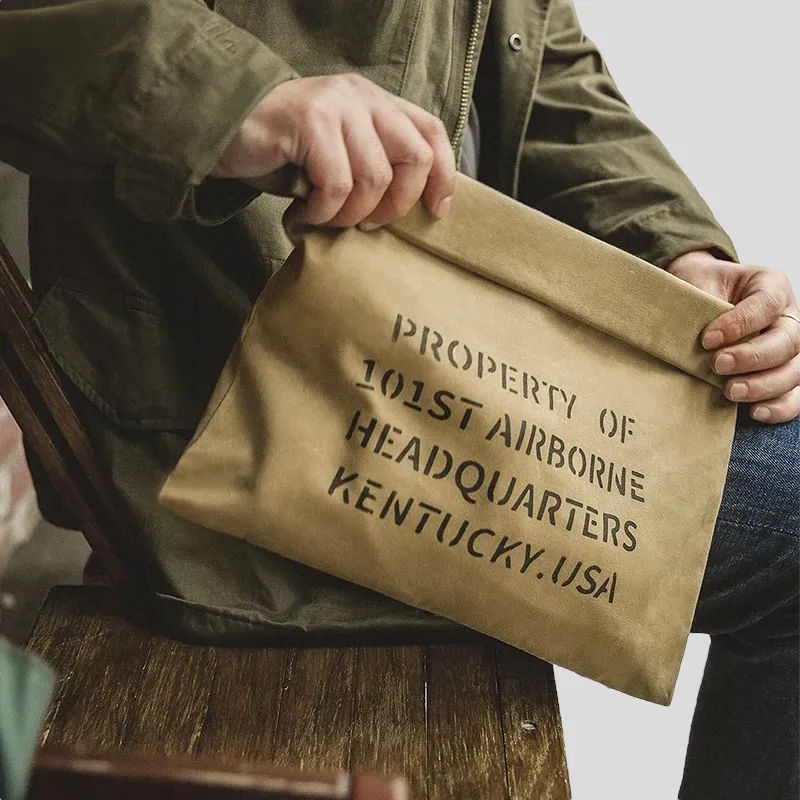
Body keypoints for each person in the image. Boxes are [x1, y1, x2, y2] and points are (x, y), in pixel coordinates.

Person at [0, 1, 797, 797]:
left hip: (423, 357)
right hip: (238, 382)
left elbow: (536, 46)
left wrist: (676, 254)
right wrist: (237, 100)